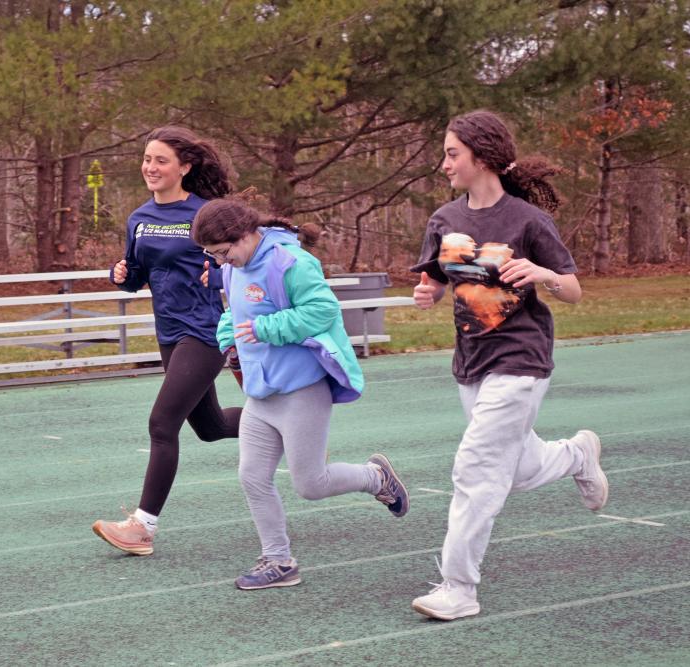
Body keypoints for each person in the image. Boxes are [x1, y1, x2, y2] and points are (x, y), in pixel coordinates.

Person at [409, 110, 608, 620]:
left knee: (476, 467)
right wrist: (428, 294)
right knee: (513, 467)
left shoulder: (527, 220)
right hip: (471, 360)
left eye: (452, 154)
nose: (444, 164)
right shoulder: (444, 220)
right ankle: (576, 456)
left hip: (521, 357)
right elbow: (437, 280)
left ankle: (459, 587)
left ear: (481, 157)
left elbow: (573, 291)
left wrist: (542, 273)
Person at [191, 198, 410, 590]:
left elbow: (323, 311)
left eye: (222, 252)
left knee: (311, 484)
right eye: (213, 255)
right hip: (261, 395)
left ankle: (377, 478)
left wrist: (266, 329)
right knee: (252, 477)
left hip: (302, 391)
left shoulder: (291, 263)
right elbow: (237, 313)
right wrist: (228, 336)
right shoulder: (234, 268)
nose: (221, 262)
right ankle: (279, 562)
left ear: (243, 235)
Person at [92, 126, 242, 556]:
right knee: (211, 428)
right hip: (170, 333)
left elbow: (240, 261)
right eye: (147, 159)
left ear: (185, 167)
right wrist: (120, 275)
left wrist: (221, 273)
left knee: (162, 424)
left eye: (161, 160)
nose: (151, 167)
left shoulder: (205, 214)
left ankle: (142, 527)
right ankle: (286, 422)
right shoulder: (139, 219)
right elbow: (137, 276)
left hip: (205, 330)